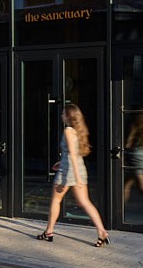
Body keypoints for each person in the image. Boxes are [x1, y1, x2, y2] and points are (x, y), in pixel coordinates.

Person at [37, 103, 110, 247]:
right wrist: (61, 163)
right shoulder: (78, 131)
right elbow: (73, 154)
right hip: (77, 169)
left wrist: (75, 177)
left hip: (68, 172)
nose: (61, 115)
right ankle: (102, 232)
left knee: (56, 201)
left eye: (63, 113)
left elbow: (72, 154)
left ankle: (49, 231)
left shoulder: (68, 131)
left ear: (68, 116)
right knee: (85, 202)